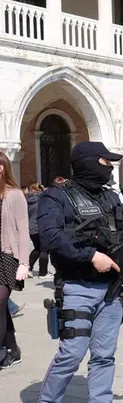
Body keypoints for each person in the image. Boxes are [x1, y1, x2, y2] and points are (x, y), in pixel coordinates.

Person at [36, 143, 123, 400]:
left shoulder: (111, 197)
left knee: (104, 355)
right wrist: (91, 255)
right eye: (106, 162)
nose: (111, 168)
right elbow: (49, 236)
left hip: (111, 291)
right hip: (77, 287)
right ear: (89, 162)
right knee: (71, 355)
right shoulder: (56, 196)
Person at [0, 151, 30, 369]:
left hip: (7, 259)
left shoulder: (14, 195)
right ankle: (12, 349)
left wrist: (24, 263)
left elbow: (23, 231)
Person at [26, 183, 50, 278]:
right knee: (44, 249)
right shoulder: (42, 200)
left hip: (31, 227)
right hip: (40, 227)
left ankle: (28, 268)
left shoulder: (27, 200)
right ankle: (43, 272)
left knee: (37, 249)